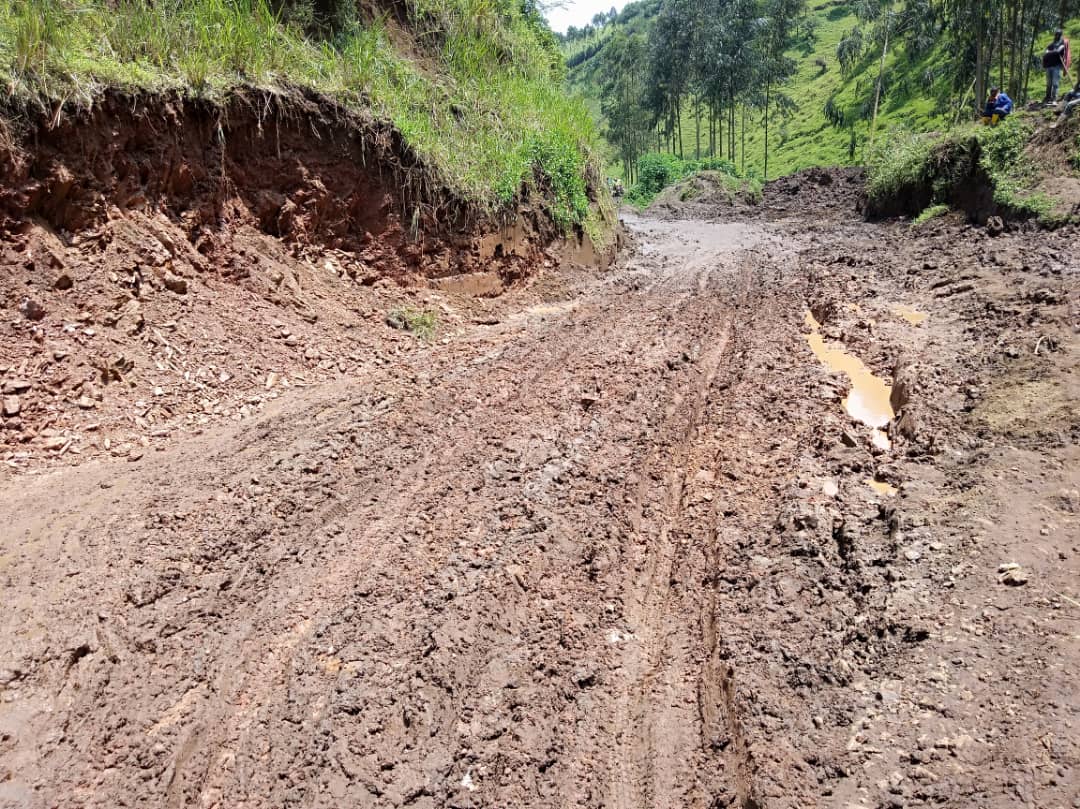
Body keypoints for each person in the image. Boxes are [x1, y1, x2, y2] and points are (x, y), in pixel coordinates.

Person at [1042, 29, 1070, 103]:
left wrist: (1050, 52)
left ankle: (1054, 99)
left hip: (1056, 66)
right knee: (1048, 83)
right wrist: (1052, 52)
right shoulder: (1051, 44)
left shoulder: (1062, 43)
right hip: (1049, 66)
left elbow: (1058, 51)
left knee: (1055, 83)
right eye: (1056, 34)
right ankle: (1048, 97)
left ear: (1060, 35)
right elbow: (1045, 53)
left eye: (1058, 34)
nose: (1057, 35)